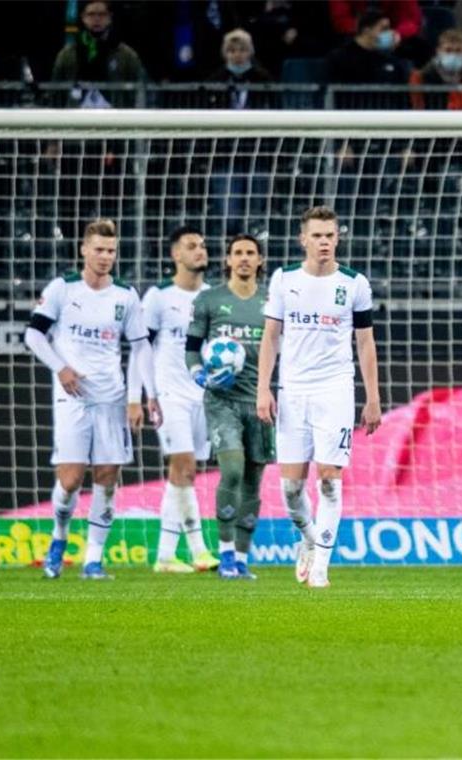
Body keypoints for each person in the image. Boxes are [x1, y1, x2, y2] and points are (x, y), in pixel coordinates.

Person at [257, 206, 382, 589]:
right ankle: (309, 540)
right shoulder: (284, 279)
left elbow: (364, 342)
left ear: (337, 238)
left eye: (330, 235)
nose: (324, 241)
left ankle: (322, 570)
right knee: (291, 489)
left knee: (329, 479)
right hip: (292, 391)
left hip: (335, 390)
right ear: (303, 239)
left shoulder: (354, 283)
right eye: (317, 235)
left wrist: (373, 397)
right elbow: (271, 337)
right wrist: (264, 387)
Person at [24, 219, 155, 580]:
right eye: (98, 249)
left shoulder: (125, 296)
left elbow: (141, 347)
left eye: (111, 251)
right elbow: (34, 337)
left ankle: (93, 560)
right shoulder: (62, 289)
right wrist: (61, 368)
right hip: (73, 397)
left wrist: (135, 398)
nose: (105, 257)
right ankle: (59, 538)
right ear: (84, 250)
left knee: (107, 476)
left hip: (111, 399)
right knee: (69, 480)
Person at [184, 234, 277, 580]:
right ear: (227, 260)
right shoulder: (209, 300)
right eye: (237, 253)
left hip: (258, 400)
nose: (243, 258)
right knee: (233, 469)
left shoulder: (271, 301)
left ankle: (240, 557)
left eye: (250, 253)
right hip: (221, 400)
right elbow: (192, 347)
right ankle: (223, 554)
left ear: (260, 261)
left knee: (254, 479)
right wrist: (198, 374)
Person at [132, 227, 219, 573]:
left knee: (182, 475)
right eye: (191, 246)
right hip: (169, 396)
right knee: (185, 467)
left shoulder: (214, 296)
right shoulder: (158, 297)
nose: (200, 250)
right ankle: (199, 550)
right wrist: (142, 396)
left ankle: (166, 556)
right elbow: (140, 348)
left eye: (202, 244)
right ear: (175, 255)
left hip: (204, 394)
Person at [51, 1, 147, 108]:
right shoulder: (67, 55)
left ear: (110, 18)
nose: (96, 19)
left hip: (116, 118)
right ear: (83, 17)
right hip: (76, 118)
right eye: (91, 14)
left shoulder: (126, 55)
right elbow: (56, 93)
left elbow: (138, 90)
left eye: (102, 14)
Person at [325, 9, 409, 109]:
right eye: (384, 29)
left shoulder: (389, 61)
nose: (390, 33)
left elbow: (400, 95)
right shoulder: (338, 58)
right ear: (366, 30)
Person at [409, 29, 462, 111]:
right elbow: (417, 110)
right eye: (448, 50)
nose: (453, 55)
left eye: (458, 51)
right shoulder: (420, 78)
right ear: (438, 51)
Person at [206, 28, 274, 110]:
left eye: (242, 50)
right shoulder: (216, 78)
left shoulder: (263, 77)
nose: (237, 55)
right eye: (232, 51)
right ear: (225, 54)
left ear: (250, 52)